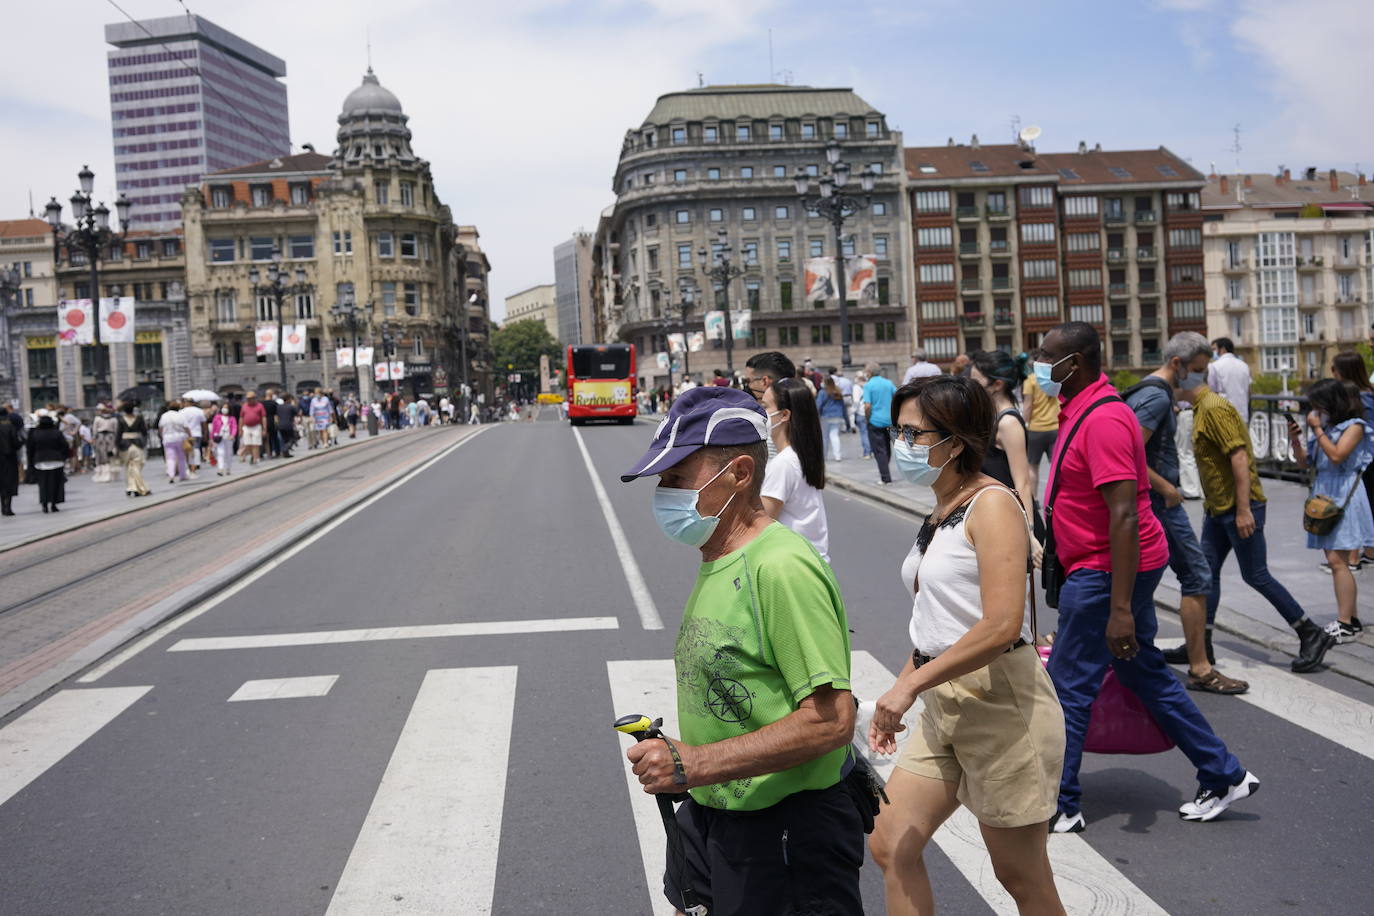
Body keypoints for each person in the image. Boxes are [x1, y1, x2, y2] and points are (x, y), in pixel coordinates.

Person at [619, 386, 863, 914]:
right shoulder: (721, 557)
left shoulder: (779, 567)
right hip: (721, 818)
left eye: (678, 478)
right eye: (663, 480)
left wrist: (695, 762)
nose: (664, 493)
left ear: (740, 474)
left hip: (786, 836)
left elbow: (831, 720)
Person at [1035, 321, 1257, 833]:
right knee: (1143, 672)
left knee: (1069, 685)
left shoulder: (1106, 419)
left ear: (1078, 362)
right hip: (1099, 566)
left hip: (1105, 571)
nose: (1039, 364)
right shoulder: (1078, 407)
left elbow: (1126, 515)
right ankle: (1224, 773)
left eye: (1047, 356)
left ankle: (1062, 802)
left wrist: (1118, 610)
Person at [869, 375, 1065, 915]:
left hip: (1001, 705)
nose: (899, 443)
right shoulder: (941, 507)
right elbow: (937, 622)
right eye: (898, 431)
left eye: (912, 434)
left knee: (1022, 878)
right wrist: (897, 692)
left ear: (953, 442)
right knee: (889, 842)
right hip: (943, 704)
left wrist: (908, 686)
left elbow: (1002, 625)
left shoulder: (993, 505)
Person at [1179, 368, 1334, 672]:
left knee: (1256, 574)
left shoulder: (1213, 408)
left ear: (1185, 378)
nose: (1170, 386)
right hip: (1217, 509)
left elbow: (1239, 457)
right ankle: (1202, 644)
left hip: (1237, 507)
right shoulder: (1201, 408)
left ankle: (1310, 631)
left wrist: (1244, 509)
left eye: (1173, 379)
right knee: (1206, 574)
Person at [1127, 334, 1247, 695]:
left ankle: (1132, 657)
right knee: (1196, 575)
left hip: (1151, 502)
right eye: (1197, 370)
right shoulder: (1155, 396)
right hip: (1160, 503)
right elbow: (1127, 452)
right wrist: (1166, 488)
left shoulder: (1151, 392)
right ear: (1177, 364)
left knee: (1139, 583)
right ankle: (1200, 668)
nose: (1202, 378)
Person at [1289, 379, 1373, 645]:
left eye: (1318, 406)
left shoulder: (1355, 427)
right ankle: (1351, 618)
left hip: (1344, 497)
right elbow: (1305, 463)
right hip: (1326, 496)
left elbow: (1337, 455)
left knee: (1339, 562)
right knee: (1336, 560)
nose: (1315, 412)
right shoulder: (1327, 428)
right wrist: (1297, 441)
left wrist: (1317, 429)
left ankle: (1346, 623)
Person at [968, 350, 1040, 556]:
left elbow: (1023, 482)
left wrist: (1030, 533)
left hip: (1013, 522)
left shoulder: (1008, 422)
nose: (971, 386)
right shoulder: (989, 415)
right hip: (994, 516)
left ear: (997, 384)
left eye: (977, 381)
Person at [762, 377, 831, 563]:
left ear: (784, 415)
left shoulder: (783, 464)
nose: (760, 413)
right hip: (811, 560)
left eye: (765, 407)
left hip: (795, 564)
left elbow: (760, 525)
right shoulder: (799, 456)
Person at [1330, 350, 1374, 565]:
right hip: (1367, 458)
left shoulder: (1361, 397)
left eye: (1334, 368)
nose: (1332, 373)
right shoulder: (1368, 392)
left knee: (1358, 504)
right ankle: (1368, 552)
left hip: (1364, 459)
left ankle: (1353, 557)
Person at [1020, 368, 1060, 501]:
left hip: (1035, 429)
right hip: (1055, 426)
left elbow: (1028, 405)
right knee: (1056, 466)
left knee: (1033, 466)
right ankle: (1055, 497)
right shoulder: (1054, 378)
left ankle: (1034, 499)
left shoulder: (1030, 379)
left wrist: (1023, 424)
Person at [862, 362, 896, 484]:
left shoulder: (868, 386)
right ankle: (885, 469)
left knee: (879, 450)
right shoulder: (888, 383)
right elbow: (897, 397)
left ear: (869, 373)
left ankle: (885, 477)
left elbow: (867, 405)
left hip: (875, 421)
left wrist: (867, 418)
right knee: (887, 447)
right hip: (890, 421)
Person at [29, 412, 68, 513]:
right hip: (56, 460)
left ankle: (44, 505)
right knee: (56, 484)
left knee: (43, 485)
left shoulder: (35, 434)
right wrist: (62, 457)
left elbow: (30, 449)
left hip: (40, 462)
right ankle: (54, 504)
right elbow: (64, 446)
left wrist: (32, 461)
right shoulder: (57, 433)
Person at [1208, 337, 1252, 423]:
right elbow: (1249, 391)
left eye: (1215, 349)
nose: (1214, 353)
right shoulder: (1244, 366)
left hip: (1223, 416)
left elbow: (1210, 393)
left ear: (1222, 349)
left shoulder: (1214, 366)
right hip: (1242, 416)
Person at [116, 401, 151, 497]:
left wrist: (117, 446)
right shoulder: (139, 418)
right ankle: (138, 487)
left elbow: (118, 434)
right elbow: (144, 432)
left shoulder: (121, 419)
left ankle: (130, 487)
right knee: (137, 466)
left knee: (128, 467)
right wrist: (143, 443)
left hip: (124, 445)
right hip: (137, 444)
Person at [158, 399, 191, 484]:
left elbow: (161, 428)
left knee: (170, 458)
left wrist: (162, 437)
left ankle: (171, 475)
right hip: (180, 438)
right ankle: (182, 475)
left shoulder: (164, 416)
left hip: (168, 438)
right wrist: (190, 436)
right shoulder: (180, 415)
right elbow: (186, 427)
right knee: (181, 457)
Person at [816, 375, 847, 462]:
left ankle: (824, 456)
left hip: (826, 416)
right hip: (838, 416)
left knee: (825, 437)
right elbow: (843, 406)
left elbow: (818, 405)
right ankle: (838, 456)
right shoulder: (838, 391)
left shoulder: (823, 392)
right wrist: (845, 418)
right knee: (834, 435)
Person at [0, 406, 23, 516]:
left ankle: (2, 506)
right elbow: (16, 443)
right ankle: (7, 507)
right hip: (9, 459)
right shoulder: (9, 427)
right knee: (9, 482)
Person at [92, 404, 119, 483]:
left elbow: (94, 430)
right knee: (110, 455)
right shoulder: (114, 419)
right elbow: (116, 430)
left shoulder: (97, 419)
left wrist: (94, 438)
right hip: (110, 437)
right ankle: (110, 472)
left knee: (101, 455)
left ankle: (103, 473)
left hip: (101, 438)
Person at [238, 391, 266, 464]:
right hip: (246, 426)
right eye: (248, 399)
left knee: (256, 443)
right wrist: (240, 429)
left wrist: (264, 429)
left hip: (256, 426)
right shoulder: (244, 406)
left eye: (250, 398)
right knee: (247, 443)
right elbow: (241, 417)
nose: (249, 400)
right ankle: (253, 455)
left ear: (254, 398)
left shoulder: (260, 406)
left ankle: (255, 458)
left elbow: (263, 417)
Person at [210, 405, 238, 476]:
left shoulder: (232, 418)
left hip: (228, 437)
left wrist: (232, 435)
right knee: (220, 453)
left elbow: (234, 427)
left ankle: (228, 468)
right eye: (224, 407)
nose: (225, 409)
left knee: (229, 453)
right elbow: (213, 427)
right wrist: (211, 437)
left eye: (226, 408)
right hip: (219, 437)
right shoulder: (217, 417)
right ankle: (221, 468)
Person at [180, 399, 205, 473]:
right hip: (197, 432)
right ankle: (197, 463)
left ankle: (189, 464)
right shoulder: (199, 411)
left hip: (186, 434)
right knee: (196, 448)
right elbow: (203, 423)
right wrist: (205, 433)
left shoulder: (181, 412)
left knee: (187, 450)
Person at [853, 370, 871, 458]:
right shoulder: (868, 385)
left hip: (860, 412)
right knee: (869, 432)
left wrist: (853, 411)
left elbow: (856, 401)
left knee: (864, 433)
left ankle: (867, 452)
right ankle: (871, 450)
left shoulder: (856, 387)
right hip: (870, 411)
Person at [831, 368, 855, 432]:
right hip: (849, 396)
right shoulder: (848, 380)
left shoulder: (838, 382)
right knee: (850, 413)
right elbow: (852, 389)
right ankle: (852, 425)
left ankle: (844, 428)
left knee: (842, 413)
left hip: (841, 398)